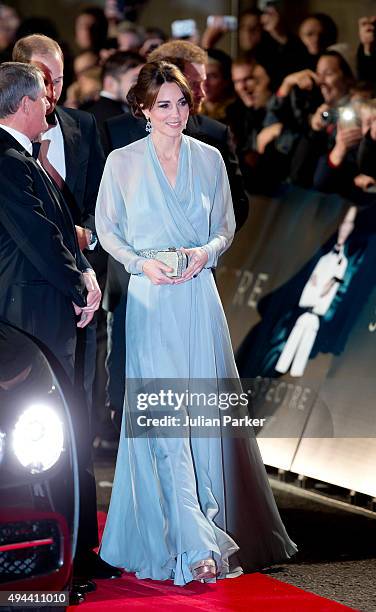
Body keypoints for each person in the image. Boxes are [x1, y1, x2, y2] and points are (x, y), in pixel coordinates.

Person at [95, 60, 297, 585]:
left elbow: (225, 228)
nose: (176, 113)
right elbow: (107, 230)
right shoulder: (121, 162)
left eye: (182, 102)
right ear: (142, 108)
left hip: (198, 299)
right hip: (151, 299)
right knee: (165, 420)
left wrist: (201, 254)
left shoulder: (208, 159)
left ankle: (203, 531)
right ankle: (193, 541)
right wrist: (142, 264)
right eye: (164, 104)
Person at [12, 35, 120, 584]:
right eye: (40, 78)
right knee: (39, 428)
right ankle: (48, 552)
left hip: (81, 305)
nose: (51, 89)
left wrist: (90, 257)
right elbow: (34, 231)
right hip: (34, 311)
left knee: (80, 419)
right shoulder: (10, 151)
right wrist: (75, 268)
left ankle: (83, 547)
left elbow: (103, 204)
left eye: (56, 77)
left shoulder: (83, 129)